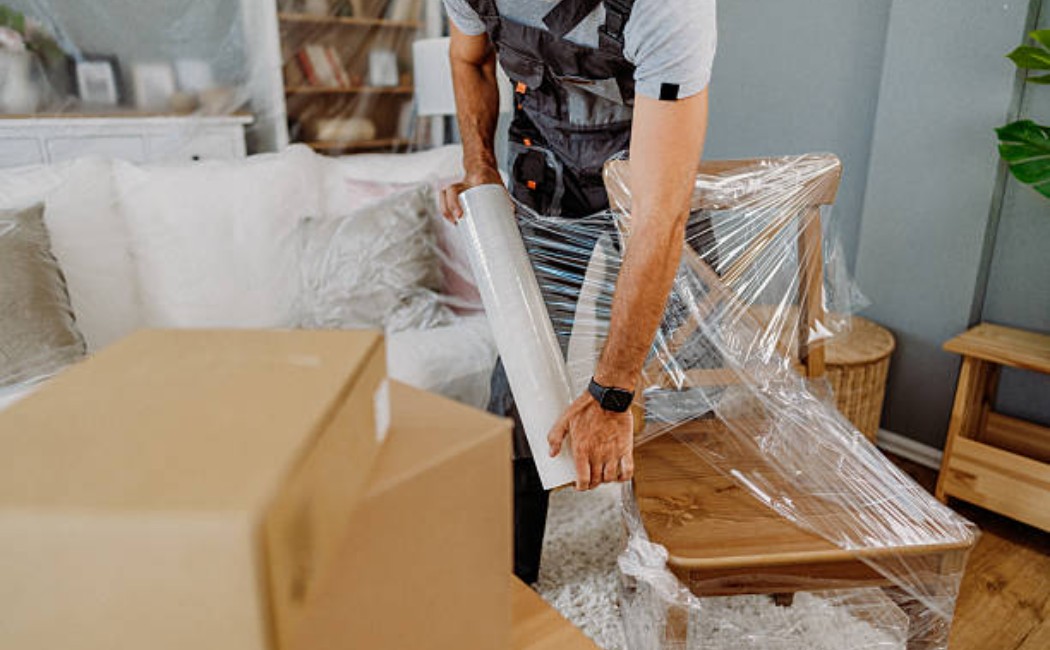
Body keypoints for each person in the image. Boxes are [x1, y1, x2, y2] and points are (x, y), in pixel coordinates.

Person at [438, 0, 717, 584]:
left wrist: (613, 395)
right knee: (518, 379)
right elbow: (468, 59)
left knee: (687, 376)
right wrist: (479, 164)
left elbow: (658, 218)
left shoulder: (667, 7)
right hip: (545, 176)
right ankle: (511, 578)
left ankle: (687, 566)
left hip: (647, 184)